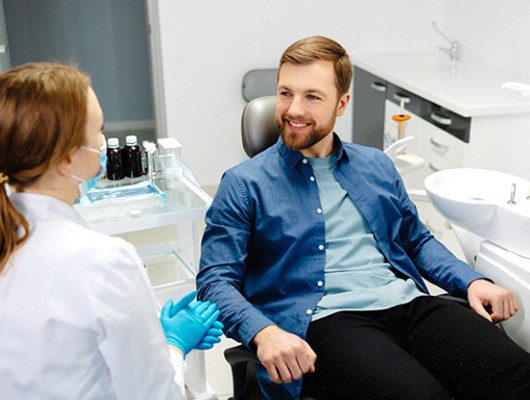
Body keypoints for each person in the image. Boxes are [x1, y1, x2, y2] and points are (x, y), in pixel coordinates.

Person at [196, 36, 530, 400]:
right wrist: (263, 332)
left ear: (342, 104)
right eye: (285, 93)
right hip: (328, 321)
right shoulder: (244, 184)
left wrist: (470, 282)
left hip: (408, 304)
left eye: (312, 97)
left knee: (517, 378)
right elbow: (214, 282)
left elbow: (415, 240)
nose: (293, 109)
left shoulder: (375, 166)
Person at [0, 62, 222, 399]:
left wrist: (148, 333)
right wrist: (173, 345)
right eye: (99, 131)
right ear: (66, 160)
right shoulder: (103, 260)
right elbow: (157, 396)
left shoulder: (12, 235)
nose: (105, 143)